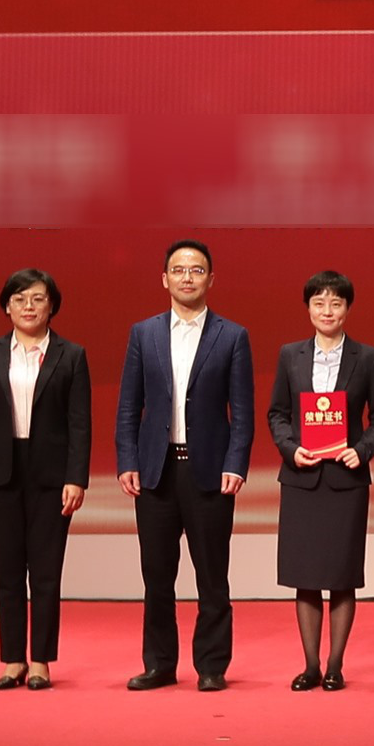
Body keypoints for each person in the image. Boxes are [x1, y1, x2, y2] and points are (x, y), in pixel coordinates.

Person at [115, 239, 254, 692]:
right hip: (156, 472)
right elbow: (129, 405)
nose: (187, 277)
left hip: (209, 472)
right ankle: (159, 664)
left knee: (212, 576)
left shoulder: (232, 336)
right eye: (178, 270)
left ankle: (211, 666)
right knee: (157, 576)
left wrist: (236, 463)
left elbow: (242, 411)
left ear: (211, 278)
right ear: (165, 279)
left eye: (196, 270)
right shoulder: (144, 333)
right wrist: (127, 459)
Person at [0, 268, 90, 691]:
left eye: (37, 298)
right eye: (19, 299)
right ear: (6, 307)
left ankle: (41, 661)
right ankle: (13, 659)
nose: (28, 306)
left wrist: (77, 477)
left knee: (46, 572)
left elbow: (80, 423)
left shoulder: (71, 355)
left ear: (52, 306)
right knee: (7, 571)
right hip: (0, 473)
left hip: (51, 475)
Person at [265, 271, 374, 692]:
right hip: (301, 479)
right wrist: (290, 448)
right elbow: (277, 413)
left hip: (345, 481)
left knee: (341, 575)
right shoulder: (290, 355)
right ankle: (310, 666)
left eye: (336, 303)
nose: (327, 311)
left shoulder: (367, 357)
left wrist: (363, 449)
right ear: (308, 309)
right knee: (305, 576)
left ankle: (335, 665)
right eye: (319, 303)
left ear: (347, 309)